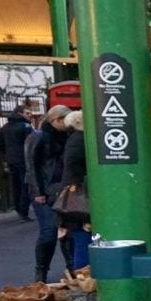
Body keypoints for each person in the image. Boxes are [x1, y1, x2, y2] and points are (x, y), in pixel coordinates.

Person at [25, 105, 71, 282]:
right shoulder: (37, 136)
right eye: (65, 120)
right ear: (57, 120)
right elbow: (31, 165)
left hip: (61, 189)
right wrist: (37, 191)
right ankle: (41, 271)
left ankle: (71, 268)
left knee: (66, 231)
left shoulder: (66, 136)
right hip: (44, 191)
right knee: (49, 231)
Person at [59, 111, 92, 271]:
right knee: (82, 235)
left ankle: (81, 272)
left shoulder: (73, 138)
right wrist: (78, 184)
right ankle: (82, 273)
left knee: (81, 235)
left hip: (76, 191)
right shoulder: (79, 139)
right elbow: (72, 165)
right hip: (79, 194)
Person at [0, 108, 33, 220]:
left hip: (11, 160)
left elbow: (0, 145)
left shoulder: (4, 128)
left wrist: (6, 157)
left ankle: (18, 207)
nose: (30, 115)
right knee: (25, 185)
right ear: (20, 113)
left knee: (15, 185)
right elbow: (31, 145)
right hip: (24, 159)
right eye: (27, 113)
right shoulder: (26, 127)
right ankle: (23, 210)